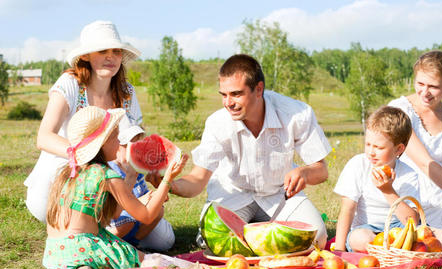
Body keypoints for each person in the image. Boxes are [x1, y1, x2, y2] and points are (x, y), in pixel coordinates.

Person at [167, 54, 331, 248]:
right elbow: (197, 179)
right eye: (224, 95)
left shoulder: (297, 114)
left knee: (318, 237)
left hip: (278, 194)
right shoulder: (217, 123)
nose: (228, 102)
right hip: (232, 195)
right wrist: (170, 185)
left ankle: (251, 236)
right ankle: (261, 236)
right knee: (211, 242)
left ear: (258, 89)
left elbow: (322, 171)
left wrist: (304, 172)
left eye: (236, 94)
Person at [42, 106, 188, 269]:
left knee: (122, 249)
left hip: (54, 251)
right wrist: (167, 179)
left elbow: (115, 212)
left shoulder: (69, 171)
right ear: (102, 143)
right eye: (115, 138)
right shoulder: (106, 175)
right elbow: (147, 216)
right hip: (84, 247)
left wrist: (130, 177)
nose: (119, 143)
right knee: (150, 261)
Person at [24, 20, 143, 223]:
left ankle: (113, 222)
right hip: (62, 172)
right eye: (102, 50)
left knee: (162, 239)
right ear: (86, 56)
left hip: (110, 176)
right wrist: (90, 156)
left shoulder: (127, 91)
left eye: (116, 51)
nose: (110, 57)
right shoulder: (70, 84)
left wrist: (140, 159)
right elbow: (44, 137)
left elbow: (138, 138)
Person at [389, 50, 442, 258]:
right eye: (420, 84)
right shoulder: (399, 112)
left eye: (433, 86)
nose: (425, 92)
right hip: (412, 203)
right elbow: (426, 164)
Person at [334, 106, 420, 252]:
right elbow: (347, 209)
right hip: (366, 228)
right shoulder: (358, 164)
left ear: (398, 149)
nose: (371, 152)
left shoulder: (408, 174)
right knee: (360, 239)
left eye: (379, 148)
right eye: (368, 144)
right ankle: (392, 251)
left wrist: (388, 191)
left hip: (398, 229)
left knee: (430, 234)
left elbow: (411, 221)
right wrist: (339, 249)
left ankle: (390, 250)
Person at [106, 118, 175, 251]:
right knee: (126, 223)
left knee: (159, 211)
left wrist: (157, 196)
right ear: (115, 145)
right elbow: (112, 210)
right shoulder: (110, 171)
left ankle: (134, 244)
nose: (136, 150)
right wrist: (139, 201)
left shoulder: (135, 169)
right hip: (115, 222)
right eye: (130, 146)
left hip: (137, 218)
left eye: (139, 145)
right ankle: (111, 247)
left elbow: (145, 196)